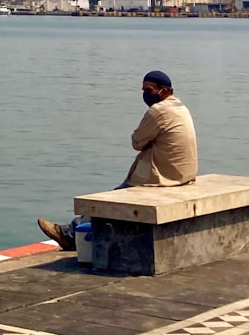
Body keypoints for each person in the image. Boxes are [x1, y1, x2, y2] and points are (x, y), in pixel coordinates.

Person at [37, 70, 198, 250]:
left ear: (165, 91)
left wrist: (148, 141)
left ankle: (69, 234)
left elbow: (137, 142)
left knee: (111, 201)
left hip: (164, 178)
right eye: (143, 90)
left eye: (149, 90)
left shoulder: (158, 111)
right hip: (183, 174)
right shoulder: (181, 109)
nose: (145, 94)